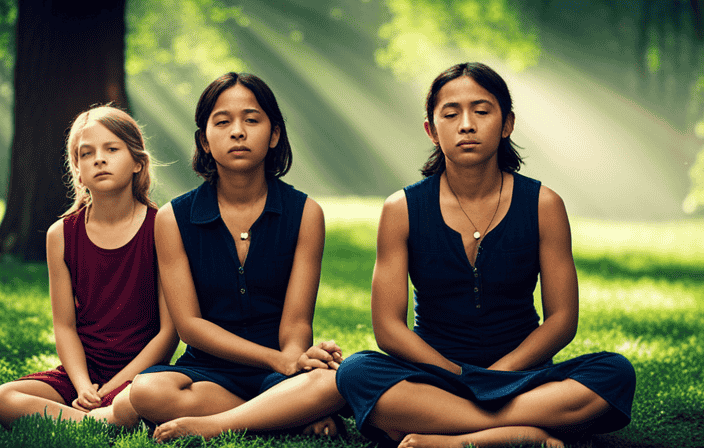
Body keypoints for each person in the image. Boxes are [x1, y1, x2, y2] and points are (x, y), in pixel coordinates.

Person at [335, 62, 637, 448]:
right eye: (451, 113)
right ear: (431, 129)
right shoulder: (401, 209)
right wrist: (457, 375)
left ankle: (454, 436)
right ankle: (518, 433)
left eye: (481, 111)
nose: (466, 124)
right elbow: (388, 328)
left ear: (507, 123)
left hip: (522, 375)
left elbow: (562, 319)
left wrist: (497, 376)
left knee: (614, 372)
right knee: (356, 372)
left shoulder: (544, 204)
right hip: (436, 375)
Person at [127, 72, 347, 442]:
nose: (238, 132)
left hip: (281, 371)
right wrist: (276, 360)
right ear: (205, 140)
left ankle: (222, 422)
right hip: (208, 372)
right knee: (148, 391)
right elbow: (190, 326)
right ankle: (286, 413)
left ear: (274, 134)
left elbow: (296, 323)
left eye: (252, 119)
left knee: (340, 377)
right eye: (223, 121)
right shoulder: (172, 218)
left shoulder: (306, 213)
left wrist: (292, 359)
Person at [0, 105, 178, 429]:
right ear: (78, 171)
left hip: (143, 374)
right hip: (84, 371)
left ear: (138, 162)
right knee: (4, 398)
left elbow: (168, 335)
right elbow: (65, 326)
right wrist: (83, 387)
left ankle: (100, 415)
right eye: (87, 153)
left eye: (112, 149)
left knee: (141, 399)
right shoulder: (61, 235)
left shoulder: (162, 227)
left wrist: (110, 391)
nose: (99, 158)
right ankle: (97, 421)